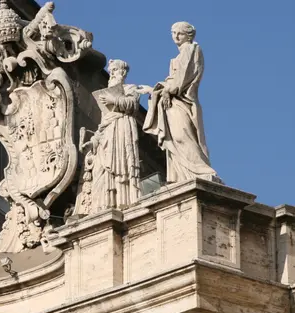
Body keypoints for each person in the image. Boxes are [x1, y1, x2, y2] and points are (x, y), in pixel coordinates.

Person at [141, 21, 218, 183]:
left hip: (182, 102)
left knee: (182, 135)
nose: (176, 36)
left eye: (180, 33)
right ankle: (181, 176)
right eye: (173, 32)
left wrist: (166, 90)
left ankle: (201, 170)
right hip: (174, 101)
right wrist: (156, 91)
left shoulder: (190, 49)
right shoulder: (182, 53)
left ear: (188, 35)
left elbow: (182, 78)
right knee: (175, 139)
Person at [75, 59, 142, 214]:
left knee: (120, 167)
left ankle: (122, 202)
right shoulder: (105, 100)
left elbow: (132, 104)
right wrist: (93, 142)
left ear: (123, 73)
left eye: (115, 70)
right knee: (102, 169)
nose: (111, 74)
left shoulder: (130, 88)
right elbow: (102, 126)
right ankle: (105, 204)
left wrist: (114, 100)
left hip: (121, 130)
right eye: (110, 71)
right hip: (108, 133)